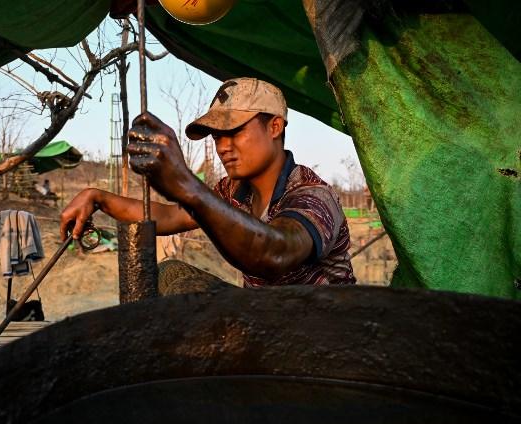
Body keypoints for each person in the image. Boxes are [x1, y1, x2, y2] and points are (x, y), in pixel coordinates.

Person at [61, 77, 355, 293]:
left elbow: (276, 252)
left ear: (274, 127)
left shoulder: (312, 195)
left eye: (234, 132)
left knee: (189, 297)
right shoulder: (231, 190)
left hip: (321, 334)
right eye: (217, 137)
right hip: (267, 318)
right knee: (169, 272)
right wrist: (97, 197)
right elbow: (167, 216)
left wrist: (187, 184)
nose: (223, 147)